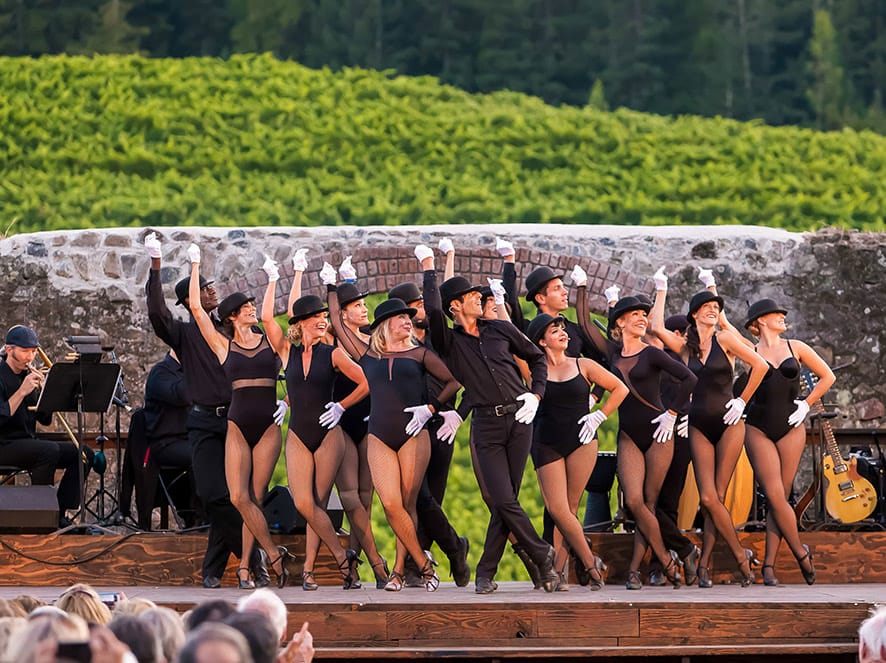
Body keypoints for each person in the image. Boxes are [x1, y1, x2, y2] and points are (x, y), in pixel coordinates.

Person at [417, 245, 559, 594]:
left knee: (505, 498)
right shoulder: (447, 341)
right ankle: (542, 554)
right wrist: (429, 268)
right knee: (501, 497)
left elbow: (537, 358)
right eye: (471, 296)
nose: (479, 299)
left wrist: (536, 394)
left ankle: (485, 573)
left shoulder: (499, 329)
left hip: (520, 416)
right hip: (486, 424)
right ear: (456, 306)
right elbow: (433, 309)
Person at [144, 232, 273, 588]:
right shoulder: (183, 334)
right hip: (203, 421)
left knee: (240, 496)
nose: (213, 290)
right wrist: (156, 266)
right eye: (205, 287)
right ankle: (256, 558)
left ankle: (213, 570)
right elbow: (156, 312)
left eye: (213, 286)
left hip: (238, 420)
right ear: (189, 300)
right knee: (213, 493)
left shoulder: (231, 329)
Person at [325, 261, 460, 592]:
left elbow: (453, 382)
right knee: (390, 504)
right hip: (379, 436)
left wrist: (431, 408)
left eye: (407, 318)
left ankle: (400, 570)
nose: (407, 321)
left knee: (408, 503)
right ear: (384, 324)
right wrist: (332, 288)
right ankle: (425, 564)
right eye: (400, 318)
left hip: (414, 433)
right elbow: (338, 326)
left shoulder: (419, 354)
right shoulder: (368, 355)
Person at [650, 268, 769, 588]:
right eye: (707, 306)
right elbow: (656, 327)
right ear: (694, 315)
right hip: (698, 425)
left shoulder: (726, 338)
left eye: (717, 306)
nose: (714, 309)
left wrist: (742, 401)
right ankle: (711, 563)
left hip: (729, 423)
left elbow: (760, 365)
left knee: (714, 497)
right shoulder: (686, 347)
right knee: (708, 498)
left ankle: (734, 561)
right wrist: (661, 289)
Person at [576, 289, 698, 589]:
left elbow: (690, 379)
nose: (643, 319)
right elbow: (585, 324)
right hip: (629, 435)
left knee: (649, 503)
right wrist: (581, 288)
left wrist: (672, 413)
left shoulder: (653, 353)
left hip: (658, 434)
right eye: (637, 316)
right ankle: (674, 556)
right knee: (633, 502)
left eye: (645, 316)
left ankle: (634, 569)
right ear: (621, 323)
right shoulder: (613, 353)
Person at [260, 256, 367, 590]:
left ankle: (309, 571)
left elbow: (366, 382)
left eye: (324, 316)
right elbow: (266, 317)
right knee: (304, 503)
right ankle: (341, 557)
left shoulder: (333, 353)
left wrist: (340, 405)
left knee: (315, 504)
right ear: (301, 323)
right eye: (317, 317)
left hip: (328, 432)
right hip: (298, 433)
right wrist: (275, 277)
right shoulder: (287, 352)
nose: (323, 321)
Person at [186, 242, 288, 589]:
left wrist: (273, 279)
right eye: (244, 307)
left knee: (255, 495)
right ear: (231, 316)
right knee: (237, 498)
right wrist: (196, 263)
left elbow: (279, 333)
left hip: (267, 424)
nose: (250, 309)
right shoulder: (223, 345)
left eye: (250, 305)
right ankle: (270, 554)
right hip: (237, 424)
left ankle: (247, 566)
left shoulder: (267, 339)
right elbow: (198, 311)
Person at [289, 251, 388, 589]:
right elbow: (316, 320)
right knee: (347, 498)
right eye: (357, 305)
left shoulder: (373, 339)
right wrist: (330, 284)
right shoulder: (334, 340)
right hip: (340, 427)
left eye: (364, 305)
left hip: (370, 424)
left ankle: (361, 565)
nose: (365, 309)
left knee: (365, 500)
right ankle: (368, 564)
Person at [525, 313, 628, 590]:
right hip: (546, 443)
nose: (562, 332)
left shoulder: (583, 364)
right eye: (554, 329)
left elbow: (619, 388)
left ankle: (557, 573)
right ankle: (591, 564)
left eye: (562, 328)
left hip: (582, 439)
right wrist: (499, 303)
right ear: (541, 341)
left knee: (570, 508)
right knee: (558, 509)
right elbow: (510, 340)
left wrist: (599, 415)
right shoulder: (533, 370)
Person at [388, 250, 470, 588]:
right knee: (416, 498)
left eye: (419, 305)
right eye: (412, 307)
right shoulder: (398, 344)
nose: (418, 310)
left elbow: (440, 304)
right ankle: (453, 549)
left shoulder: (439, 337)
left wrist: (436, 265)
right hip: (409, 427)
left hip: (440, 425)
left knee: (430, 498)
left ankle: (416, 565)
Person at [740, 298, 834, 586]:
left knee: (779, 496)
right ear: (759, 322)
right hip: (758, 427)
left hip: (792, 428)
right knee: (774, 495)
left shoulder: (797, 347)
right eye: (776, 314)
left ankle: (768, 566)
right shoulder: (750, 351)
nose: (782, 316)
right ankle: (800, 553)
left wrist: (806, 404)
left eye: (782, 314)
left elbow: (827, 376)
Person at [0, 325, 93, 526]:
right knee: (47, 451)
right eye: (25, 351)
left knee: (82, 454)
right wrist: (22, 391)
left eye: (33, 351)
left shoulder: (28, 375)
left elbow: (44, 420)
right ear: (9, 350)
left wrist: (47, 396)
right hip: (4, 443)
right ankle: (41, 519)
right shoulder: (1, 375)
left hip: (26, 440)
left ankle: (59, 513)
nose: (30, 357)